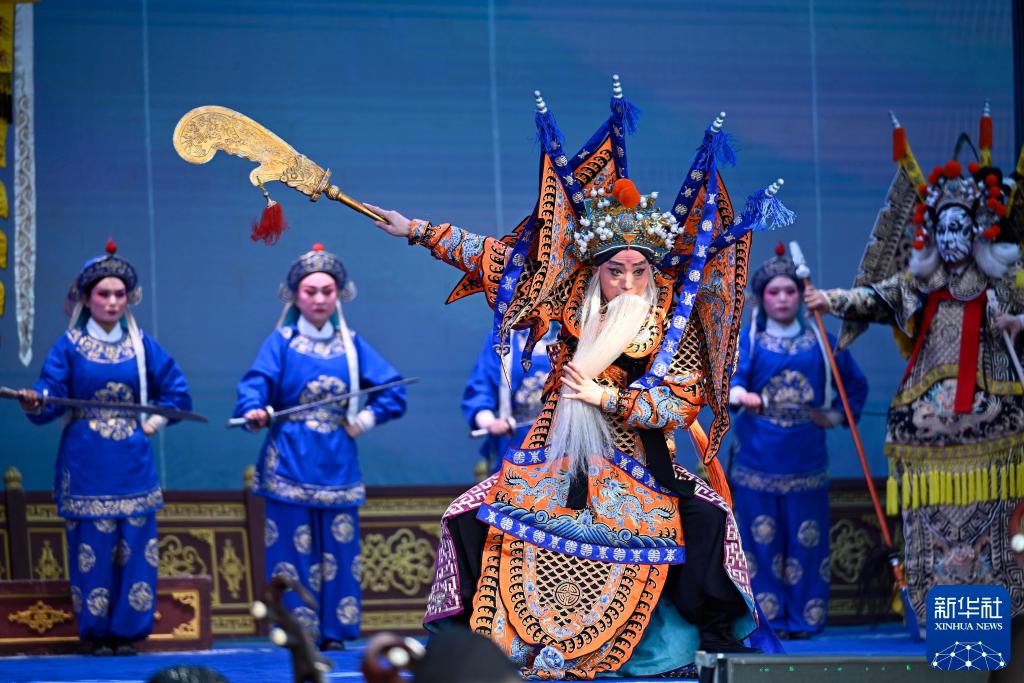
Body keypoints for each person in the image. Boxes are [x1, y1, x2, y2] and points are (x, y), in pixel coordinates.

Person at [359, 79, 793, 678]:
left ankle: (707, 641)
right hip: (556, 451)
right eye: (616, 271)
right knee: (465, 513)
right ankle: (472, 644)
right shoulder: (569, 299)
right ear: (597, 268)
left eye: (639, 270)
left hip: (639, 458)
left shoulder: (672, 317)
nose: (628, 282)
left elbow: (682, 397)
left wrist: (608, 397)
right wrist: (417, 230)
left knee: (711, 519)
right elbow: (499, 258)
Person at [803, 107, 1024, 627]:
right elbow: (872, 298)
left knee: (996, 519)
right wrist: (827, 299)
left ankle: (996, 613)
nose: (949, 238)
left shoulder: (1005, 281)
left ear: (978, 230)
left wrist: (1017, 322)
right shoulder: (918, 283)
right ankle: (941, 611)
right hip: (924, 430)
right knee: (930, 519)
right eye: (941, 228)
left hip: (994, 423)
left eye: (958, 227)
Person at [18, 239, 192, 656]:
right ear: (86, 298)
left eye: (119, 294)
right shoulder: (69, 346)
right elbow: (50, 391)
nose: (113, 302)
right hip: (86, 463)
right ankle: (96, 633)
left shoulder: (142, 345)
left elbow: (177, 394)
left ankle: (128, 633)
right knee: (91, 552)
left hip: (133, 462)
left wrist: (153, 422)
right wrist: (36, 400)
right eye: (103, 294)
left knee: (136, 550)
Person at [233, 243, 407, 651]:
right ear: (295, 296)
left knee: (339, 552)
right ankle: (296, 631)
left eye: (327, 291)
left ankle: (335, 632)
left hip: (337, 460)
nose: (319, 299)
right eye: (310, 291)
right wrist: (254, 410)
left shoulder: (352, 345)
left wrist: (365, 420)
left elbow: (393, 390)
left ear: (339, 295)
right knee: (289, 551)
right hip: (289, 459)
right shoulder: (281, 342)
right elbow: (256, 384)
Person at [729, 243, 868, 638]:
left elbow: (854, 385)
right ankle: (767, 621)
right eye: (774, 292)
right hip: (757, 459)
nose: (783, 298)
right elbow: (732, 382)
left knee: (807, 541)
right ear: (761, 297)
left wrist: (836, 415)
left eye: (790, 291)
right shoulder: (749, 341)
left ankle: (806, 620)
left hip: (806, 459)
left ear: (801, 296)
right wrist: (741, 395)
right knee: (759, 543)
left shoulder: (821, 339)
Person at [462, 325, 558, 478]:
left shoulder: (575, 332)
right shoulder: (503, 338)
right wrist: (489, 422)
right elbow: (482, 388)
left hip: (565, 440)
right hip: (516, 439)